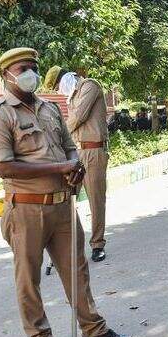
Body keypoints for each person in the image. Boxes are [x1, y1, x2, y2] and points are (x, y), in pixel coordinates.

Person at [0, 47, 133, 337]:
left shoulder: (50, 110)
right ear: (6, 74)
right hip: (26, 210)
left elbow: (69, 148)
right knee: (28, 279)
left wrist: (75, 165)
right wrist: (57, 169)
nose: (30, 73)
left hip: (64, 206)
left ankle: (93, 329)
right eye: (23, 68)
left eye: (33, 67)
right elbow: (5, 167)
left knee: (77, 271)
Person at [67, 65, 110, 263]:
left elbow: (79, 116)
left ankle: (97, 244)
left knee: (95, 200)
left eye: (59, 83)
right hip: (76, 151)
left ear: (69, 77)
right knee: (66, 198)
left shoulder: (89, 86)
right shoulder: (72, 95)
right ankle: (70, 243)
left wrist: (59, 131)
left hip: (93, 150)